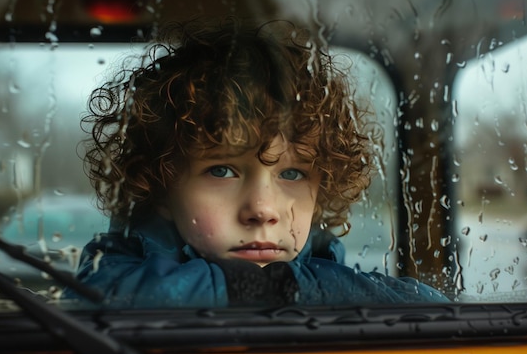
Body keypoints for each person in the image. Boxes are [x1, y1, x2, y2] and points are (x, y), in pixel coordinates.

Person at [64, 18, 449, 308]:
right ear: (163, 187)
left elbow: (432, 307)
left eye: (293, 173)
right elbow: (96, 297)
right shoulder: (116, 270)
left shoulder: (321, 261)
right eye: (221, 170)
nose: (263, 210)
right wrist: (284, 288)